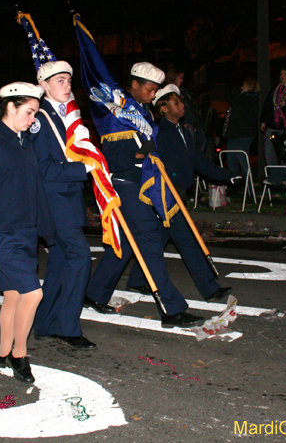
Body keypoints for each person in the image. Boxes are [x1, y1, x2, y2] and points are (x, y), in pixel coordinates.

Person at [85, 62, 205, 328]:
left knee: (129, 243)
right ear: (135, 85)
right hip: (126, 184)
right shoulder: (117, 114)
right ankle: (172, 309)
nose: (153, 95)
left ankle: (94, 293)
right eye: (150, 90)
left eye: (155, 91)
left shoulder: (144, 114)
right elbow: (113, 159)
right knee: (150, 240)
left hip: (144, 184)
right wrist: (142, 153)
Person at [0, 81, 53, 383]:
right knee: (33, 293)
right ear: (10, 108)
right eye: (29, 112)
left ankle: (3, 352)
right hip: (2, 234)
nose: (32, 120)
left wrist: (43, 227)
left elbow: (34, 187)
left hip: (26, 232)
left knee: (14, 297)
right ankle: (19, 354)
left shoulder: (23, 141)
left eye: (35, 114)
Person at [125, 84, 235, 303]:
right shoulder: (160, 132)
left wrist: (225, 176)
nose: (182, 105)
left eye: (181, 101)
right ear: (164, 108)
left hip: (179, 194)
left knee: (155, 240)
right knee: (188, 241)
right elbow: (157, 165)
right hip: (167, 195)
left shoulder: (183, 131)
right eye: (176, 102)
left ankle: (137, 280)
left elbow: (198, 160)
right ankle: (209, 289)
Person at [28, 61, 97, 351]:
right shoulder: (40, 120)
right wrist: (83, 170)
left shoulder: (67, 116)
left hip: (66, 201)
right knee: (80, 258)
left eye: (69, 80)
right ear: (44, 86)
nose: (67, 86)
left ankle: (44, 323)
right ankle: (67, 327)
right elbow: (42, 169)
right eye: (60, 81)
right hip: (54, 204)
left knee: (59, 263)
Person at [223, 78, 260, 179]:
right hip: (235, 134)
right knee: (231, 159)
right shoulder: (243, 98)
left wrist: (229, 88)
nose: (241, 87)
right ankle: (236, 182)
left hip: (243, 134)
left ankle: (248, 185)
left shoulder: (250, 99)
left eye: (243, 85)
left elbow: (234, 102)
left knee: (242, 159)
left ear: (249, 86)